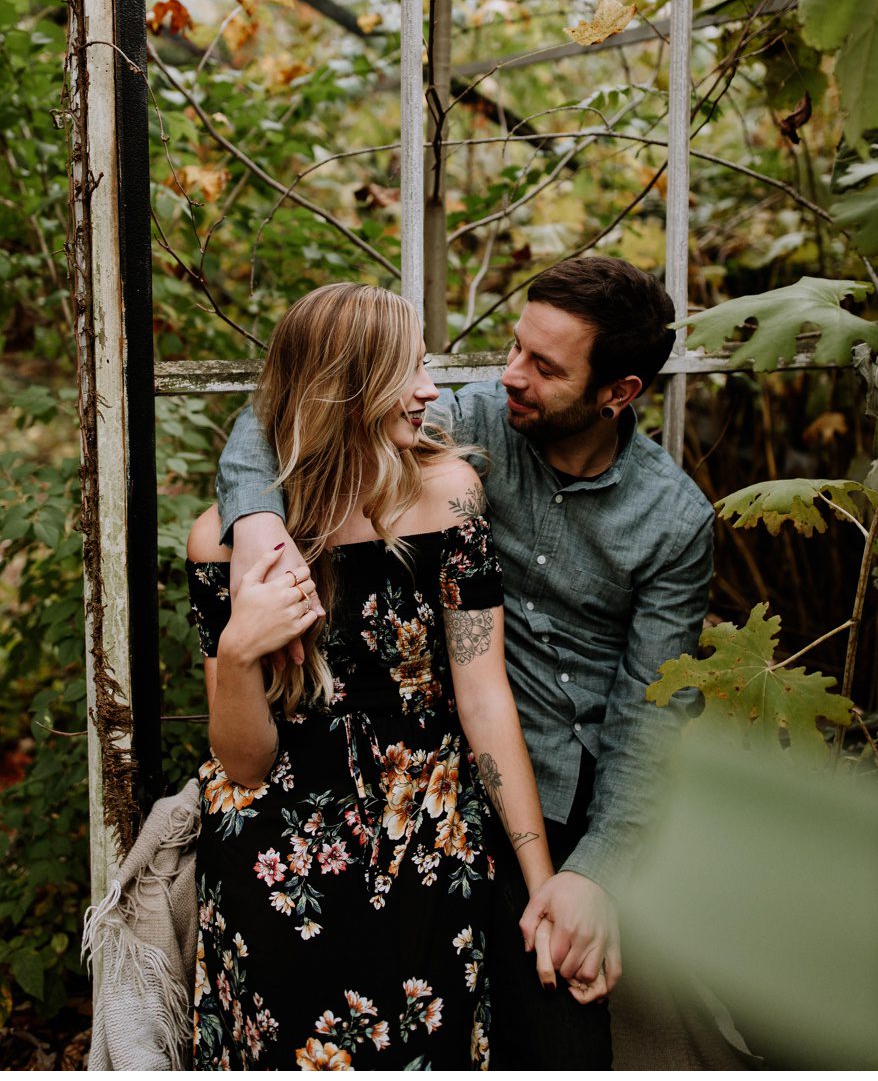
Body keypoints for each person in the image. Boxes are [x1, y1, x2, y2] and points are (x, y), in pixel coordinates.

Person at [216, 256, 714, 1069]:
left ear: (617, 392)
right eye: (515, 347)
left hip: (550, 789)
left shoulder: (673, 523)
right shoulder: (475, 421)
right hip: (423, 758)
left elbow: (650, 715)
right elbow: (283, 411)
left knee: (556, 1027)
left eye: (545, 367)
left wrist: (596, 872)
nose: (509, 374)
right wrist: (256, 517)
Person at [189, 282, 560, 1069]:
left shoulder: (447, 495)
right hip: (280, 855)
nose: (430, 388)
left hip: (427, 828)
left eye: (425, 363)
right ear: (342, 388)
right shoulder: (228, 543)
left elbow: (483, 694)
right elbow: (243, 765)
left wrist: (540, 880)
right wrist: (239, 652)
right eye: (407, 368)